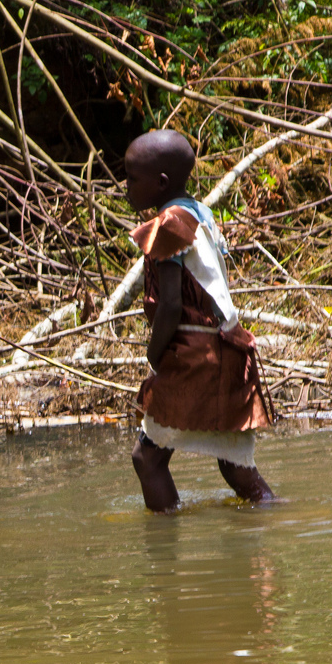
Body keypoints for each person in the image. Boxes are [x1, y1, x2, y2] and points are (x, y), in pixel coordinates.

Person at [122, 130, 276, 512]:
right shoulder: (200, 213)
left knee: (147, 459)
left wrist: (154, 357)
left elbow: (171, 305)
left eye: (131, 178)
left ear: (160, 183)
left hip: (195, 356)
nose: (125, 186)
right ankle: (274, 517)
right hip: (227, 348)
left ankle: (165, 558)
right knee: (235, 468)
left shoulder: (169, 225)